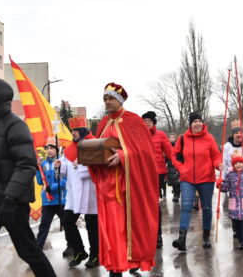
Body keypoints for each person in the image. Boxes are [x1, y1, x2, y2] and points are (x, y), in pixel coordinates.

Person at [0, 78, 56, 277]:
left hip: (11, 205)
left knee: (29, 253)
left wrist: (10, 198)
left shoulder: (16, 126)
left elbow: (26, 165)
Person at [89, 83, 159, 276]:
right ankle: (115, 266)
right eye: (105, 98)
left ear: (119, 100)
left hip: (125, 188)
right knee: (111, 232)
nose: (107, 101)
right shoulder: (103, 123)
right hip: (105, 187)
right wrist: (90, 158)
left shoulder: (133, 121)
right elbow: (97, 148)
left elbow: (145, 154)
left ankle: (119, 269)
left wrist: (123, 156)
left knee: (122, 230)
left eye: (110, 98)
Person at [170, 111, 222, 251]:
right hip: (187, 179)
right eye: (195, 121)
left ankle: (205, 237)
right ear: (190, 124)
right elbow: (173, 155)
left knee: (206, 207)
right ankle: (182, 239)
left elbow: (216, 156)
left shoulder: (209, 138)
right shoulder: (182, 139)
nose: (198, 123)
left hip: (206, 178)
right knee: (186, 207)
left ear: (202, 123)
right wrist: (181, 168)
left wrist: (218, 165)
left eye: (200, 121)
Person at [62, 117, 99, 268]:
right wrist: (61, 165)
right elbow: (66, 168)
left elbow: (99, 165)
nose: (73, 133)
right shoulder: (69, 148)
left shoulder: (93, 143)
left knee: (92, 225)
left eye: (76, 131)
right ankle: (79, 251)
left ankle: (95, 255)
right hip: (73, 193)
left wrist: (83, 162)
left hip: (90, 191)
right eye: (72, 131)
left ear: (83, 130)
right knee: (67, 221)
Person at [141, 111, 174, 249]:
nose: (146, 122)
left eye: (149, 120)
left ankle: (157, 235)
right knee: (143, 206)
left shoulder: (161, 135)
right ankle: (146, 235)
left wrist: (179, 166)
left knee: (155, 205)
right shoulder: (138, 136)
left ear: (154, 122)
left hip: (157, 174)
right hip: (142, 174)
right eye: (144, 120)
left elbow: (170, 152)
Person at [35, 137, 68, 249]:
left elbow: (64, 181)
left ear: (57, 149)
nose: (49, 150)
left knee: (67, 225)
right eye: (47, 148)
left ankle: (72, 246)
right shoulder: (43, 164)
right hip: (47, 201)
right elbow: (40, 182)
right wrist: (37, 168)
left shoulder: (61, 162)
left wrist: (51, 188)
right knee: (44, 226)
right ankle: (37, 249)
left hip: (60, 200)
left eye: (52, 148)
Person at [167, 133, 181, 203]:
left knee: (177, 181)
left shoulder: (177, 146)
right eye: (170, 137)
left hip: (176, 164)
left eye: (173, 137)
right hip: (170, 165)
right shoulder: (167, 146)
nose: (171, 138)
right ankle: (175, 193)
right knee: (172, 181)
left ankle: (176, 195)